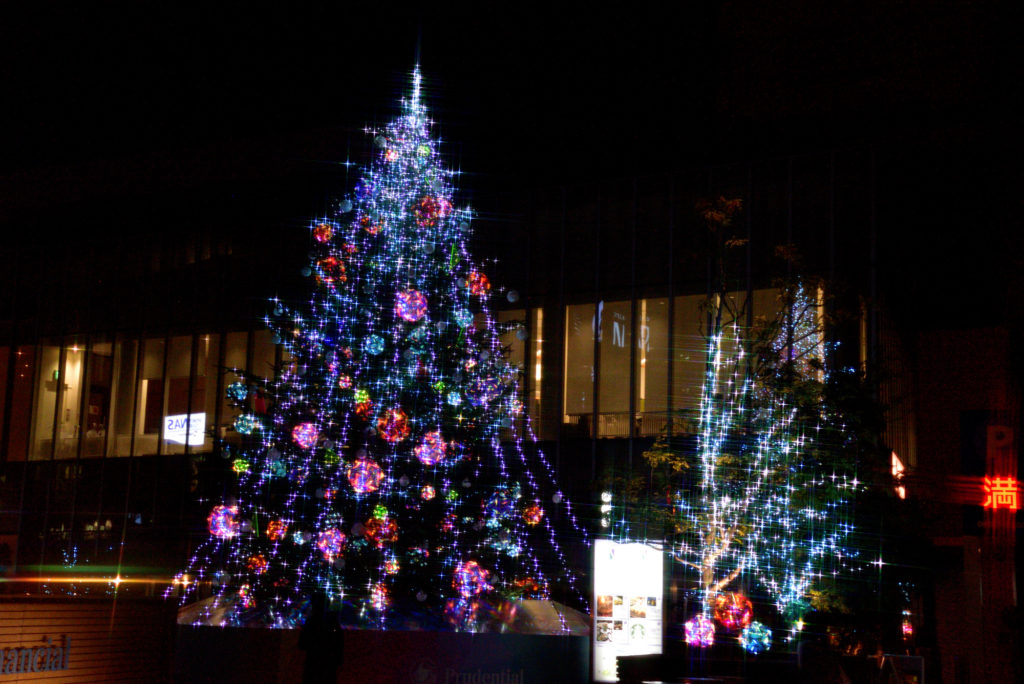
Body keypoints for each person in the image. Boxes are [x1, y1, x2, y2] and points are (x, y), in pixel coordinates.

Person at [298, 591, 344, 684]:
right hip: (328, 665)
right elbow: (339, 643)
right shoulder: (333, 621)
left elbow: (302, 644)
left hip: (313, 665)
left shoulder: (311, 621)